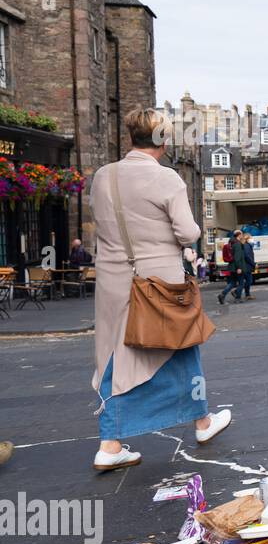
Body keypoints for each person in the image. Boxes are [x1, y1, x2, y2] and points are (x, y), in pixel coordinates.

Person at [88, 107, 230, 472]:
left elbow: (103, 226)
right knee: (182, 346)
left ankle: (110, 443)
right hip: (159, 280)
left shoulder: (104, 176)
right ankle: (201, 423)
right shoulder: (167, 179)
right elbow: (188, 233)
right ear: (163, 141)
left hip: (114, 281)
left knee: (115, 358)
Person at [218, 230, 246, 305]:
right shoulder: (237, 244)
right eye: (242, 234)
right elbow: (237, 257)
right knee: (241, 283)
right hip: (236, 267)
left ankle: (222, 295)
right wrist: (239, 267)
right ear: (239, 235)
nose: (242, 236)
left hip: (232, 267)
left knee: (232, 283)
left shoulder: (231, 242)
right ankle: (237, 298)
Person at [241, 232, 257, 300]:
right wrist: (253, 264)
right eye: (251, 238)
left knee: (247, 280)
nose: (252, 239)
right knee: (249, 281)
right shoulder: (246, 245)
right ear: (247, 239)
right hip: (247, 266)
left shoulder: (246, 245)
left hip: (246, 265)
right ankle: (237, 291)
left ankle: (247, 295)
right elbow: (247, 256)